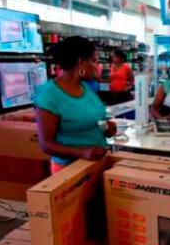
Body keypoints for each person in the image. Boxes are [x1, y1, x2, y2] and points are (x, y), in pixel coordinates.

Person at [34, 36, 117, 175]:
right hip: (69, 171)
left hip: (96, 164)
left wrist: (106, 128)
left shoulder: (85, 87)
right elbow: (46, 144)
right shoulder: (49, 95)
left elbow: (93, 118)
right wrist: (82, 152)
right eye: (94, 61)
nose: (97, 66)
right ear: (80, 63)